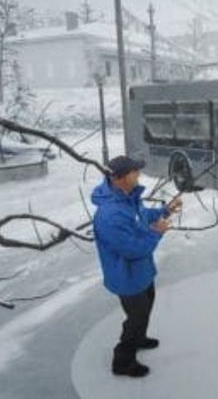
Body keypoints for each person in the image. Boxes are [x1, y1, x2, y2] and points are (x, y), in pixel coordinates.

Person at [91, 155, 183, 377]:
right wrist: (157, 232)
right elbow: (133, 250)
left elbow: (142, 217)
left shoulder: (127, 197)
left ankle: (139, 338)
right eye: (135, 172)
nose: (139, 174)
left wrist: (165, 210)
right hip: (127, 277)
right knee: (136, 317)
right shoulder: (110, 214)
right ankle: (123, 360)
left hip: (141, 272)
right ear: (120, 178)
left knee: (146, 306)